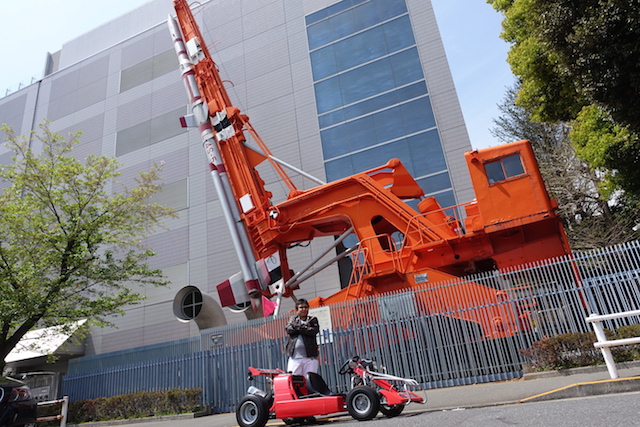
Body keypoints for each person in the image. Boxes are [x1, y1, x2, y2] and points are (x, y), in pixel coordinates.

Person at [285, 299, 320, 376]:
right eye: (301, 307)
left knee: (310, 380)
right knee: (294, 379)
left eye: (306, 307)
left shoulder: (312, 320)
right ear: (297, 310)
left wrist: (298, 328)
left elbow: (314, 331)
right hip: (295, 358)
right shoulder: (292, 319)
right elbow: (289, 329)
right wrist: (304, 328)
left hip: (310, 358)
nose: (304, 309)